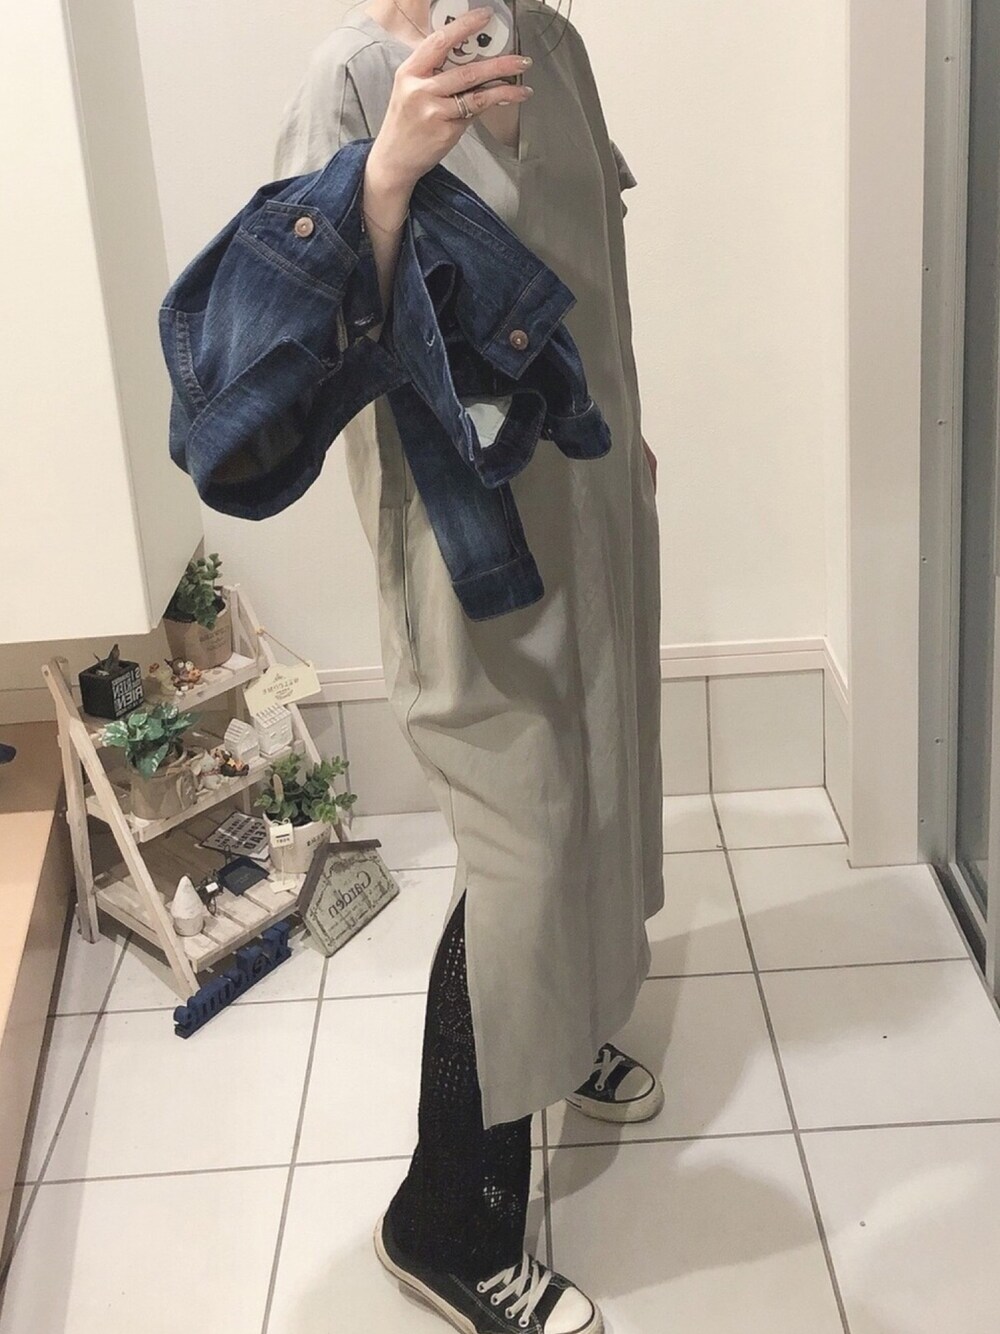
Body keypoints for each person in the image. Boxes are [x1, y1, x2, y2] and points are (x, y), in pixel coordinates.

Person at [274, 3, 665, 1330]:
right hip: (467, 530)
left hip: (594, 496)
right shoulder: (352, 74)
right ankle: (444, 1217)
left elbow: (599, 260)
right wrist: (385, 176)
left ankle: (573, 1019)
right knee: (523, 840)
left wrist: (637, 431)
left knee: (601, 775)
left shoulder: (552, 40)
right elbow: (295, 345)